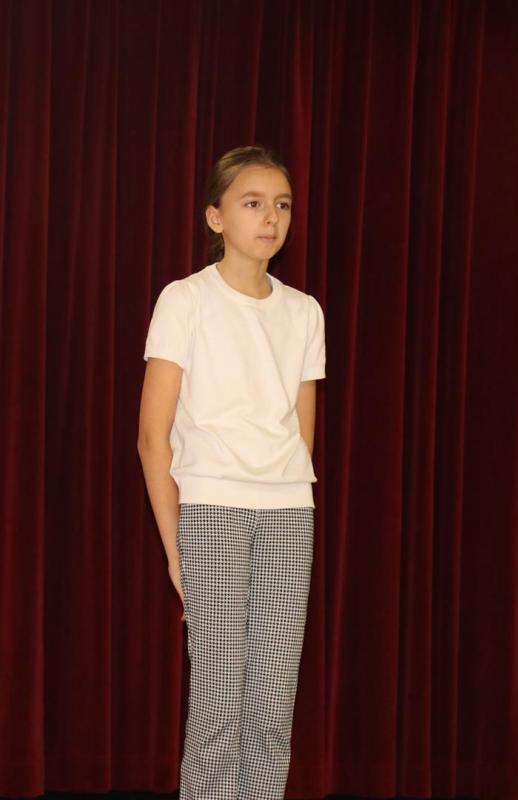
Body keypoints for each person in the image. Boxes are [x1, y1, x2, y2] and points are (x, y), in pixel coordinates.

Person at [137, 144, 326, 800]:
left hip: (288, 514)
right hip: (211, 511)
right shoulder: (185, 300)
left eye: (282, 205)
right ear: (215, 217)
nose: (270, 218)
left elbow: (302, 432)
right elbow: (152, 439)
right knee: (217, 705)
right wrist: (175, 549)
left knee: (272, 706)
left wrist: (288, 490)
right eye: (252, 203)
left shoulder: (304, 312)